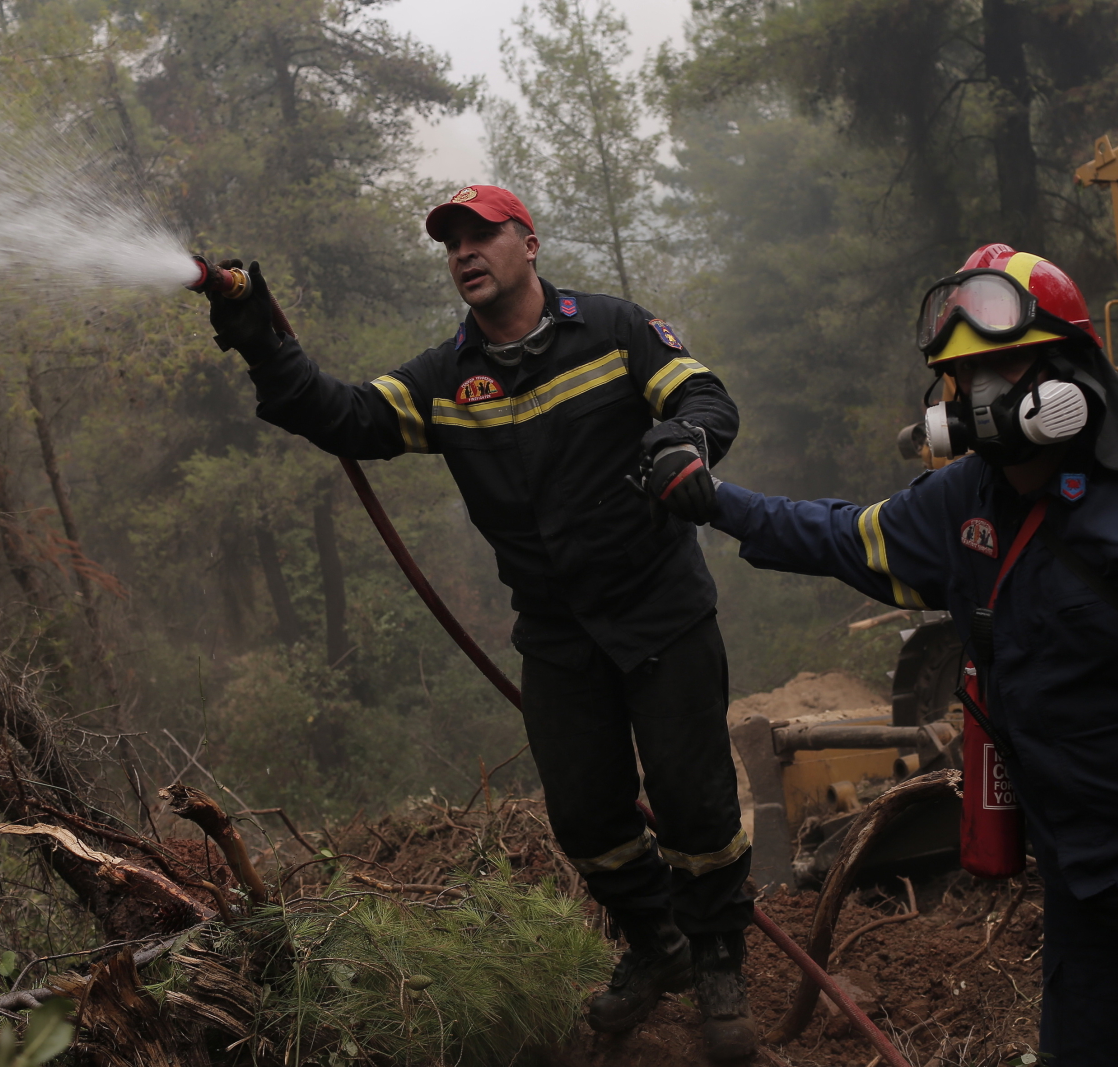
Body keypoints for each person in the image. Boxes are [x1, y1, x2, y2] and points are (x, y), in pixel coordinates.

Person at [702, 244, 1118, 1066]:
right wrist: (710, 498)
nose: (979, 397)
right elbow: (836, 535)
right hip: (1097, 890)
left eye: (1004, 369)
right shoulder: (958, 506)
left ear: (1070, 374)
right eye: (962, 380)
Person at [204, 185, 756, 1058]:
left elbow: (705, 396)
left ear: (528, 244)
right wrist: (262, 339)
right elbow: (342, 415)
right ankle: (659, 945)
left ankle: (722, 958)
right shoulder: (442, 379)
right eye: (450, 241)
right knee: (586, 817)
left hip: (660, 610)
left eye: (482, 235)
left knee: (696, 803)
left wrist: (682, 439)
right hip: (557, 634)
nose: (464, 251)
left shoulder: (614, 330)